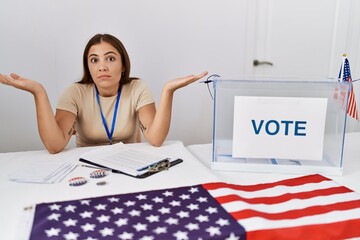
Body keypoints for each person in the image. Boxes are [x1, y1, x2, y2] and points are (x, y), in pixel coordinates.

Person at [0, 33, 208, 153]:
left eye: (110, 58)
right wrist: (39, 92)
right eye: (94, 60)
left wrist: (168, 91)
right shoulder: (75, 93)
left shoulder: (137, 88)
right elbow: (54, 146)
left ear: (123, 65)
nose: (102, 66)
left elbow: (155, 139)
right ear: (88, 67)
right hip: (86, 168)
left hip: (128, 165)